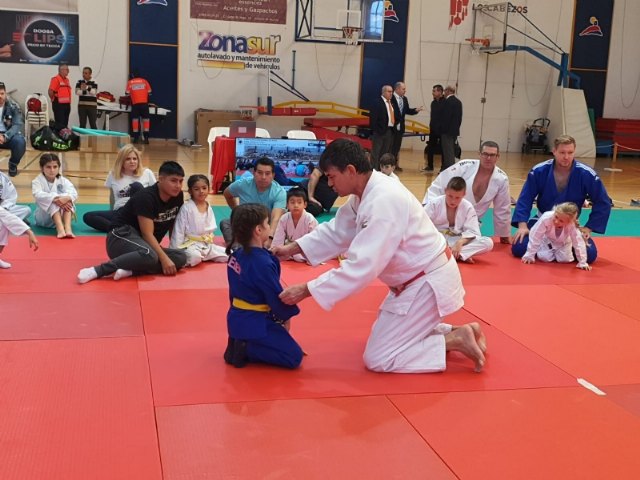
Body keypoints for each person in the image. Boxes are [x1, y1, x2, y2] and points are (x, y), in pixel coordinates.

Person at [272, 138, 486, 373]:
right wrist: (292, 248)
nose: (329, 184)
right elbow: (338, 230)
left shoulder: (383, 200)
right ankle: (459, 331)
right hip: (413, 281)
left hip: (427, 283)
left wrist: (306, 290)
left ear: (351, 171)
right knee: (384, 341)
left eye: (332, 176)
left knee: (379, 357)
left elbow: (362, 266)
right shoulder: (364, 193)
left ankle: (453, 341)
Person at [77, 161, 187, 284]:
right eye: (173, 181)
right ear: (160, 179)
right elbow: (147, 234)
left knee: (181, 257)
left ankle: (131, 271)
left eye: (181, 181)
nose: (178, 185)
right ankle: (98, 270)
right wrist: (164, 259)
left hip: (142, 245)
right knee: (151, 255)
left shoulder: (177, 196)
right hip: (120, 237)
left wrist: (172, 251)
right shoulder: (146, 197)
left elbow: (172, 223)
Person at [224, 203, 304, 369]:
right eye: (267, 223)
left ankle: (239, 340)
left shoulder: (236, 256)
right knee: (293, 356)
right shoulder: (262, 263)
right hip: (255, 322)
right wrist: (285, 317)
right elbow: (275, 296)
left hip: (236, 318)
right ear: (258, 230)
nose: (269, 226)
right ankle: (246, 349)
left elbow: (234, 292)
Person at [512, 135, 611, 263]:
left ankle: (549, 250)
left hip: (570, 224)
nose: (566, 157)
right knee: (519, 248)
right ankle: (549, 249)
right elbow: (525, 198)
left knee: (590, 255)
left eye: (570, 152)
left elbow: (603, 202)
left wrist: (588, 228)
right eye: (562, 152)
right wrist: (522, 226)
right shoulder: (539, 171)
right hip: (543, 220)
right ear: (554, 151)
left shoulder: (586, 174)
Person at [423, 140, 512, 244]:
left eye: (492, 155)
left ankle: (453, 248)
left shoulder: (501, 178)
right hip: (444, 220)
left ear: (497, 157)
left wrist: (504, 234)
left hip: (469, 224)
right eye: (485, 154)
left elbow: (502, 208)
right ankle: (450, 246)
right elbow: (439, 185)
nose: (488, 158)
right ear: (479, 154)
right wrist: (428, 209)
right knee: (427, 236)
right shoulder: (464, 166)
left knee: (487, 243)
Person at [83, 144, 156, 232]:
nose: (132, 161)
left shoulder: (147, 173)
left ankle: (135, 226)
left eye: (134, 159)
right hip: (121, 211)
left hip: (140, 212)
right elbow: (112, 197)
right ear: (121, 161)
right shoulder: (113, 174)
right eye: (128, 159)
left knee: (137, 186)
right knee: (88, 216)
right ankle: (119, 229)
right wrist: (113, 212)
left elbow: (155, 195)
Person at [220, 157, 286, 248]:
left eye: (267, 174)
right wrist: (237, 211)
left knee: (282, 227)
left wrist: (270, 239)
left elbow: (276, 218)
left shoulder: (279, 192)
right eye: (259, 173)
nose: (263, 177)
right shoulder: (242, 184)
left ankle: (253, 246)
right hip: (246, 225)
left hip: (267, 227)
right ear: (254, 173)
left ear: (273, 175)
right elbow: (227, 194)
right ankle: (237, 248)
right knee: (225, 223)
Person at [425, 177, 493, 263]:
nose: (453, 201)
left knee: (488, 243)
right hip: (437, 239)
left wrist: (460, 243)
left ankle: (450, 253)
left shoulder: (467, 207)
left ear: (464, 194)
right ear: (446, 190)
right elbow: (421, 226)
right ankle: (459, 255)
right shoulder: (434, 204)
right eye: (450, 196)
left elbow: (473, 232)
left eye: (457, 198)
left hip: (456, 239)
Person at [170, 174, 227, 266]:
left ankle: (204, 256)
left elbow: (211, 229)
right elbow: (178, 231)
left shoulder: (208, 207)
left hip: (206, 245)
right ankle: (198, 257)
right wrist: (174, 253)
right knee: (194, 257)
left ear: (209, 189)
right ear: (190, 191)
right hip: (190, 245)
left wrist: (208, 239)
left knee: (230, 253)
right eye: (196, 189)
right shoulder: (186, 208)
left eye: (204, 188)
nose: (201, 191)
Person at [521, 202, 591, 270]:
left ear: (569, 222)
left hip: (564, 242)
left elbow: (578, 242)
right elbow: (536, 236)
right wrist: (530, 254)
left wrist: (582, 262)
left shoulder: (572, 225)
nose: (556, 221)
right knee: (544, 258)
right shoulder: (546, 218)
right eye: (556, 217)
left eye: (561, 221)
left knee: (565, 259)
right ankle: (544, 250)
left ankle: (563, 251)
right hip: (547, 240)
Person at [31, 153, 78, 238]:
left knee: (68, 200)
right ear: (42, 168)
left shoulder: (63, 180)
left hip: (62, 216)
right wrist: (55, 199)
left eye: (55, 167)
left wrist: (66, 198)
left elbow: (74, 193)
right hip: (44, 218)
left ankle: (68, 229)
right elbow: (37, 194)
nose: (52, 170)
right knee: (52, 201)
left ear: (59, 167)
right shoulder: (37, 181)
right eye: (48, 167)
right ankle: (60, 229)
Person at [272, 187, 318, 263]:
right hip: (289, 249)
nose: (296, 205)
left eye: (299, 202)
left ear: (305, 204)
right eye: (292, 202)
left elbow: (315, 240)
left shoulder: (310, 219)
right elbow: (278, 238)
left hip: (307, 249)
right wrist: (276, 250)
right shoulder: (284, 218)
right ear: (287, 205)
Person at [391, 81, 424, 172]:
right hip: (391, 127)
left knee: (397, 147)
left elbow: (407, 110)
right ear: (397, 89)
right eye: (403, 89)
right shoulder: (390, 98)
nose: (405, 91)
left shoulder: (404, 99)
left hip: (400, 128)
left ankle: (394, 165)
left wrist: (415, 110)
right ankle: (387, 165)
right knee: (390, 147)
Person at [0, 81, 26, 177]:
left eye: (2, 93)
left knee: (20, 142)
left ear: (5, 93)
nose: (0, 96)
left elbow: (17, 124)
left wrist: (5, 136)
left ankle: (13, 164)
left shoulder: (13, 106)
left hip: (9, 134)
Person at [369, 85, 397, 170]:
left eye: (392, 91)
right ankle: (374, 170)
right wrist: (376, 130)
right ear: (383, 92)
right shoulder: (377, 102)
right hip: (379, 132)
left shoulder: (391, 103)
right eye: (389, 91)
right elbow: (373, 118)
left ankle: (382, 171)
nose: (391, 93)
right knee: (376, 153)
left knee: (384, 153)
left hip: (389, 131)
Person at [422, 84, 445, 173]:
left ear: (440, 92)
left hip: (442, 130)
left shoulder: (445, 102)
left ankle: (443, 167)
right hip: (433, 130)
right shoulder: (433, 103)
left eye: (434, 91)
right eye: (433, 91)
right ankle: (430, 166)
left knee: (443, 149)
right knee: (430, 147)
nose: (433, 93)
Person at [440, 85, 463, 171]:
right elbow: (459, 118)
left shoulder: (448, 102)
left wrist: (442, 129)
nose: (444, 92)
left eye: (445, 90)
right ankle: (448, 168)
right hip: (454, 131)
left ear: (448, 91)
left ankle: (450, 169)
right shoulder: (458, 102)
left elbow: (446, 118)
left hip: (447, 131)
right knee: (451, 150)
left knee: (448, 152)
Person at [125, 73, 152, 144]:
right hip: (144, 104)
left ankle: (136, 139)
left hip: (135, 105)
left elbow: (127, 93)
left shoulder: (130, 82)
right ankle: (146, 139)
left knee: (135, 121)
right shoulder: (144, 81)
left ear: (132, 76)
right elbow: (150, 92)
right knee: (146, 121)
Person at [48, 63, 72, 129]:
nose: (68, 71)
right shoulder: (56, 79)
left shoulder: (67, 80)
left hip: (67, 105)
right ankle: (59, 138)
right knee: (59, 124)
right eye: (66, 69)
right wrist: (53, 99)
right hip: (58, 105)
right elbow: (50, 91)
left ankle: (65, 137)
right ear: (61, 70)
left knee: (65, 123)